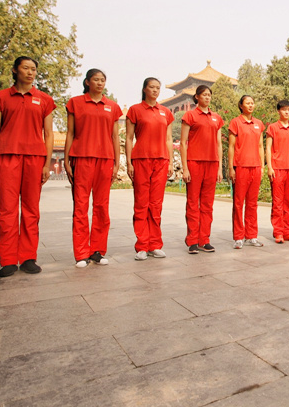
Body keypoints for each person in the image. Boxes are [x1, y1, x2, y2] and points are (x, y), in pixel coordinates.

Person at [0, 56, 55, 277]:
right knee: (7, 210)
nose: (30, 72)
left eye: (33, 69)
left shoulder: (44, 99)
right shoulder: (1, 97)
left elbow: (49, 134)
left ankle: (28, 257)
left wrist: (46, 164)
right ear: (15, 70)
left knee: (31, 210)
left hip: (35, 158)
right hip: (7, 156)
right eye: (26, 68)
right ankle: (7, 260)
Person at [64, 68, 122, 268]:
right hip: (81, 158)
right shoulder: (75, 103)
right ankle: (81, 253)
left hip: (105, 159)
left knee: (101, 206)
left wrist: (117, 162)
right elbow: (70, 133)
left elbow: (115, 136)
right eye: (96, 80)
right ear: (87, 82)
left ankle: (97, 250)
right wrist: (66, 159)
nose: (100, 83)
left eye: (102, 80)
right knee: (80, 206)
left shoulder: (112, 107)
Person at [126, 77, 174, 261]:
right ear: (144, 89)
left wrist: (170, 162)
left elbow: (168, 139)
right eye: (152, 87)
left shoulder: (165, 112)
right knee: (141, 203)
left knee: (156, 204)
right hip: (141, 159)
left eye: (158, 88)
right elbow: (129, 138)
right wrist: (129, 162)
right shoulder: (135, 110)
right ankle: (142, 245)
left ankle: (155, 244)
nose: (155, 90)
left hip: (161, 160)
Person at [180, 85, 224, 254]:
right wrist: (185, 168)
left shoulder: (216, 118)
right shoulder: (190, 116)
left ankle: (204, 240)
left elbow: (219, 144)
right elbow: (183, 143)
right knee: (193, 203)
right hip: (194, 163)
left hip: (212, 163)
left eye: (209, 95)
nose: (207, 97)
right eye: (204, 95)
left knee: (207, 204)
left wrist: (219, 168)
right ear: (197, 97)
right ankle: (192, 240)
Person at [228, 95, 265, 249]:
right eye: (247, 103)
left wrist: (262, 166)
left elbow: (260, 146)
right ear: (241, 105)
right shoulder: (235, 122)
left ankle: (251, 235)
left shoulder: (259, 124)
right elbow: (231, 146)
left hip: (255, 167)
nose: (250, 105)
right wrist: (231, 168)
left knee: (252, 203)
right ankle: (238, 237)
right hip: (240, 166)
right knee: (238, 203)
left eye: (252, 103)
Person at [265, 99, 289, 244]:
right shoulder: (273, 128)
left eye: (288, 109)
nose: (287, 112)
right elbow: (268, 148)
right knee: (278, 202)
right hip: (277, 168)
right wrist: (269, 167)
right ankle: (278, 232)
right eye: (284, 109)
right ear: (278, 111)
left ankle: (288, 232)